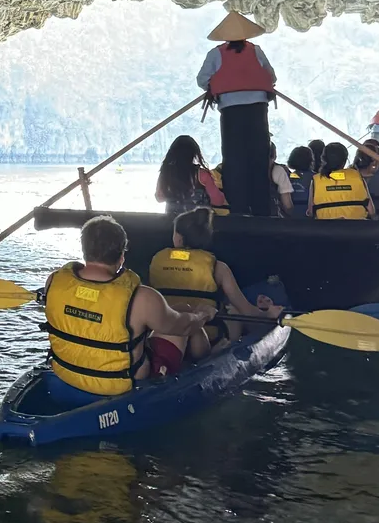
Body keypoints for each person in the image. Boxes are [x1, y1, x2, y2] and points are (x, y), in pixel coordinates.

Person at [41, 215, 215, 397]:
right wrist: (202, 315)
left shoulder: (53, 281)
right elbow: (184, 326)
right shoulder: (143, 297)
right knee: (186, 316)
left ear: (85, 250)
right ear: (122, 256)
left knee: (178, 311)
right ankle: (206, 363)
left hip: (67, 374)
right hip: (125, 385)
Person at [148, 207, 283, 371]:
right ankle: (220, 350)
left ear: (178, 238)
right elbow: (246, 309)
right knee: (234, 313)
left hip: (168, 337)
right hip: (203, 342)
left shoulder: (157, 262)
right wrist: (268, 315)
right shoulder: (218, 268)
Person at [196, 11, 276, 216]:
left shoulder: (216, 53)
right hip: (258, 109)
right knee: (259, 157)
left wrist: (218, 85)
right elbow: (271, 76)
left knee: (234, 159)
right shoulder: (256, 50)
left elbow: (202, 80)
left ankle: (237, 208)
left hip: (231, 111)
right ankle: (262, 210)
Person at [154, 135, 227, 216]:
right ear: (194, 154)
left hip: (173, 224)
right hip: (198, 224)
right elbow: (218, 201)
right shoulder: (202, 175)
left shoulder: (166, 173)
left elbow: (159, 198)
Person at [308, 142, 373, 219]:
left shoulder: (316, 180)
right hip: (357, 228)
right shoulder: (357, 176)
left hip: (326, 228)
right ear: (345, 160)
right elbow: (372, 211)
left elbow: (311, 212)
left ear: (323, 159)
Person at [287, 146, 314, 215]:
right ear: (310, 160)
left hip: (291, 215)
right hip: (311, 215)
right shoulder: (316, 178)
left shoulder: (287, 177)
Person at [269, 142, 293, 216]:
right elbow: (287, 204)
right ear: (274, 155)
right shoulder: (278, 170)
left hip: (247, 219)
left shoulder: (245, 169)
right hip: (272, 218)